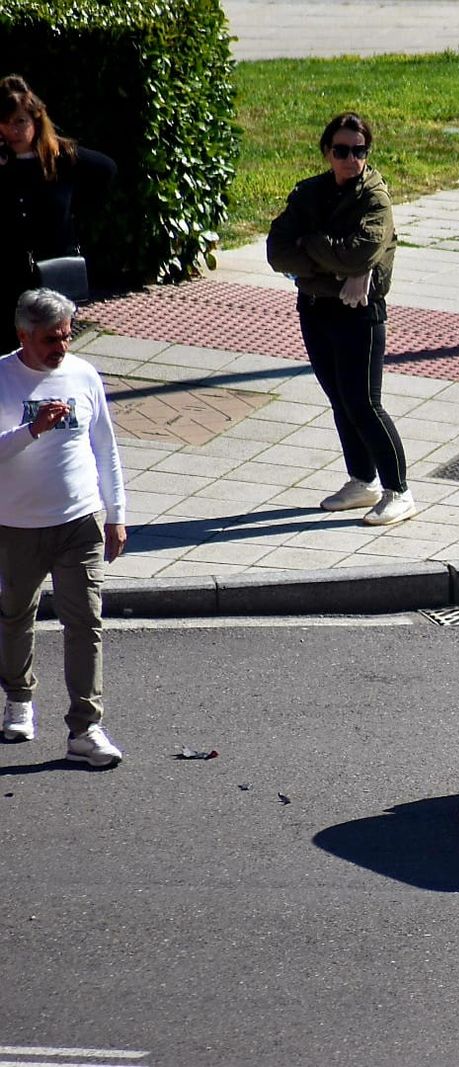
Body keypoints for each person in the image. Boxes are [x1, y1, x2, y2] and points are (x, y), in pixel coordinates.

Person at [265, 111, 413, 526]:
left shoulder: (374, 198)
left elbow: (359, 253)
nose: (352, 159)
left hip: (359, 313)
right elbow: (278, 252)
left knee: (364, 404)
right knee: (340, 401)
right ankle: (362, 480)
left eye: (359, 151)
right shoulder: (310, 192)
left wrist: (311, 246)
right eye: (342, 151)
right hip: (316, 308)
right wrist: (335, 268)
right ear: (327, 152)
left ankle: (399, 490)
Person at [0, 288, 127, 767]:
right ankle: (19, 697)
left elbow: (105, 446)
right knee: (15, 616)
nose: (62, 347)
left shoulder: (83, 374)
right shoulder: (2, 377)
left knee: (85, 624)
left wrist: (116, 513)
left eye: (67, 336)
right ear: (24, 335)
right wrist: (30, 431)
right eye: (51, 339)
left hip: (80, 521)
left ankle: (85, 728)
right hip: (16, 525)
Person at [0, 75, 117, 318]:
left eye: (20, 121)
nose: (13, 130)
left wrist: (74, 213)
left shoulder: (60, 157)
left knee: (52, 334)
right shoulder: (4, 161)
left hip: (53, 270)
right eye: (5, 122)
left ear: (36, 119)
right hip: (11, 274)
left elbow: (106, 169)